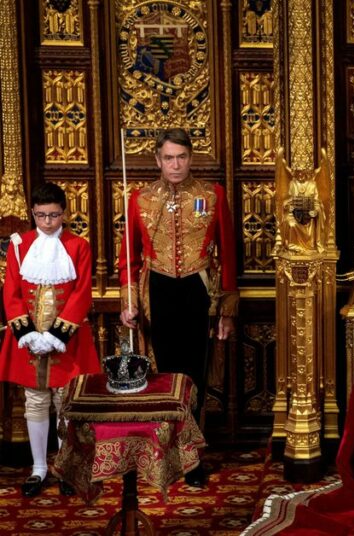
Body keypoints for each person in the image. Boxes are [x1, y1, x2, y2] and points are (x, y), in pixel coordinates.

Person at [117, 128, 238, 487]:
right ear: (158, 160)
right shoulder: (139, 198)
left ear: (191, 158)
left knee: (193, 374)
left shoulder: (212, 195)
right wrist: (129, 302)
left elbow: (228, 255)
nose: (175, 164)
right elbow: (128, 258)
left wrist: (227, 311)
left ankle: (191, 457)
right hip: (157, 289)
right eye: (168, 158)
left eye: (181, 157)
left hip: (198, 290)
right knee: (161, 374)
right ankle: (163, 452)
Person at [0, 183, 99, 496]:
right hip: (29, 341)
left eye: (53, 215)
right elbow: (11, 292)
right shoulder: (20, 245)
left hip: (67, 342)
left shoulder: (78, 246)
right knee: (36, 402)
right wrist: (27, 333)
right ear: (33, 213)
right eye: (41, 216)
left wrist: (56, 335)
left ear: (64, 213)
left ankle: (66, 467)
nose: (47, 222)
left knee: (65, 403)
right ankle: (39, 468)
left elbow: (82, 293)